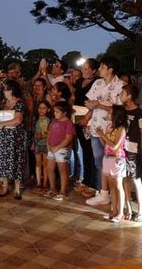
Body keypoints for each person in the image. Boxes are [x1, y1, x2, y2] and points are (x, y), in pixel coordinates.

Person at [80, 56, 124, 205]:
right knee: (99, 161)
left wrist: (100, 105)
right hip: (96, 128)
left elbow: (120, 109)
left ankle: (114, 193)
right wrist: (87, 115)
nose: (100, 69)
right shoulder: (97, 83)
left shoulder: (120, 85)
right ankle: (102, 191)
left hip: (112, 130)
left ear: (110, 69)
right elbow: (91, 103)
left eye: (102, 67)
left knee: (112, 161)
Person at [0, 79, 27, 200]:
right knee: (3, 161)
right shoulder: (4, 103)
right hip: (3, 137)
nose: (3, 92)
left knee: (16, 161)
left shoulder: (20, 103)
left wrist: (2, 123)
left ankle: (17, 189)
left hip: (15, 138)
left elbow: (18, 120)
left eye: (5, 89)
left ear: (11, 90)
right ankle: (5, 187)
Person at [95, 106, 128, 223]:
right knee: (112, 186)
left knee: (119, 186)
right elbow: (105, 144)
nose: (108, 113)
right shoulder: (109, 126)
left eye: (110, 112)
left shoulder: (121, 129)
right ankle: (114, 211)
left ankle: (120, 212)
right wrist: (100, 135)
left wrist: (102, 135)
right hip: (107, 157)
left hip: (117, 159)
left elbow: (115, 145)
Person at [120, 84, 142, 222]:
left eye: (122, 93)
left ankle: (141, 210)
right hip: (121, 148)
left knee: (136, 179)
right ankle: (128, 207)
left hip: (134, 150)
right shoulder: (122, 111)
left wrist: (141, 150)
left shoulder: (140, 113)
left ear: (129, 96)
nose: (120, 95)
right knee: (124, 177)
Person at [73, 59, 98, 192]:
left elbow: (94, 103)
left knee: (91, 151)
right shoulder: (78, 82)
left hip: (89, 120)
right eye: (83, 68)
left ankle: (93, 183)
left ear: (94, 70)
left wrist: (87, 117)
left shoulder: (97, 82)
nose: (84, 71)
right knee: (84, 149)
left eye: (87, 69)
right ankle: (86, 179)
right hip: (77, 118)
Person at [45, 101, 75, 201]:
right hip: (52, 148)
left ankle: (63, 191)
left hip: (62, 149)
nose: (55, 113)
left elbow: (68, 138)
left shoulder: (68, 123)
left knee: (62, 170)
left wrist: (58, 147)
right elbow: (49, 133)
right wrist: (48, 144)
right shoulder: (54, 121)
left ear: (65, 113)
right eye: (54, 111)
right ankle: (52, 188)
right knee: (50, 168)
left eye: (57, 112)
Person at [33, 100, 52, 191]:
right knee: (38, 163)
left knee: (45, 164)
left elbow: (49, 133)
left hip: (46, 145)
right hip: (37, 144)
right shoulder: (35, 120)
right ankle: (38, 182)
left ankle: (45, 182)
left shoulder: (49, 121)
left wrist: (42, 135)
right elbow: (34, 132)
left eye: (44, 108)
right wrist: (34, 141)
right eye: (40, 108)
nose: (41, 110)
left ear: (48, 110)